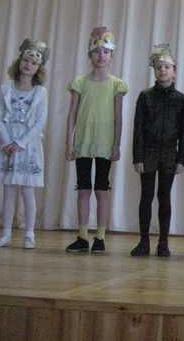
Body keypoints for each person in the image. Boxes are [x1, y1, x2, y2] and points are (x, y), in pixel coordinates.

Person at [65, 27, 128, 254]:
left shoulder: (116, 84)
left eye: (106, 52)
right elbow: (72, 114)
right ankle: (82, 236)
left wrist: (116, 145)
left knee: (102, 190)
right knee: (83, 189)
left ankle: (100, 237)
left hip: (105, 144)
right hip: (83, 143)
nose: (101, 56)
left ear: (111, 56)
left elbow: (118, 118)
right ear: (90, 55)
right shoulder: (80, 82)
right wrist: (69, 143)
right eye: (97, 51)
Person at [130, 44, 184, 258]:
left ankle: (163, 242)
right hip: (148, 152)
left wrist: (182, 159)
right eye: (158, 67)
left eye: (166, 67)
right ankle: (143, 241)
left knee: (164, 197)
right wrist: (137, 156)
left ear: (174, 71)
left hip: (169, 154)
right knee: (146, 196)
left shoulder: (181, 99)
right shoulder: (145, 96)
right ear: (154, 71)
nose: (162, 70)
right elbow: (137, 128)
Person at [0, 39, 49, 250]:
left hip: (28, 146)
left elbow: (40, 121)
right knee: (8, 189)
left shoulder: (40, 92)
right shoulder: (6, 89)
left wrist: (20, 142)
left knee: (27, 190)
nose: (28, 65)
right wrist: (7, 142)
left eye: (34, 63)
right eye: (26, 60)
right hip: (7, 145)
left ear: (38, 68)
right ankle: (5, 233)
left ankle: (29, 234)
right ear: (19, 61)